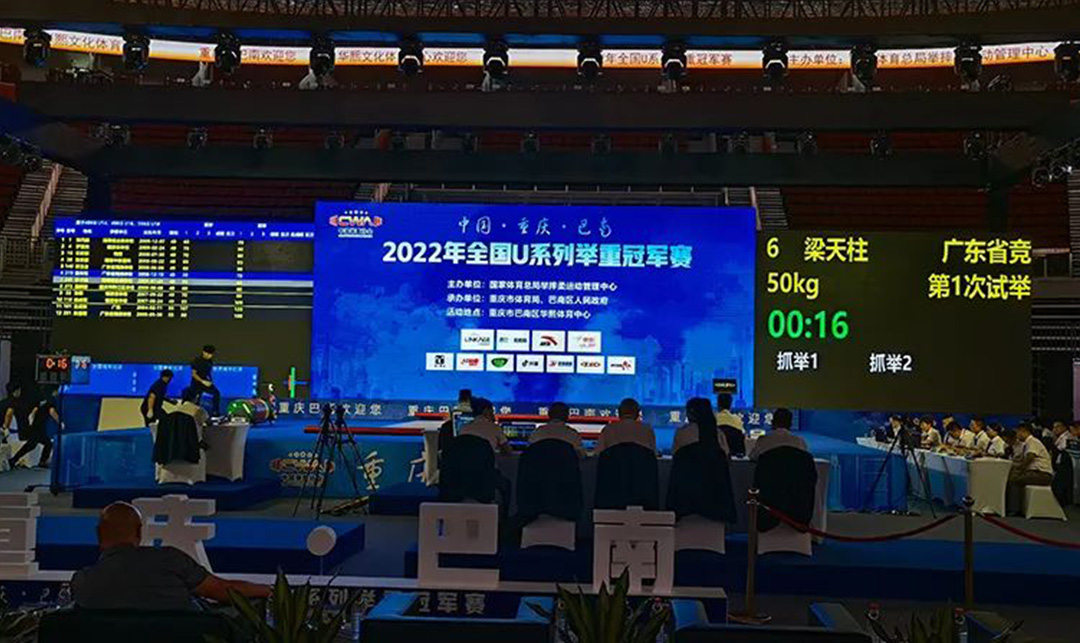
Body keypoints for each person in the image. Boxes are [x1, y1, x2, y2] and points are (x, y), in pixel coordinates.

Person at [71, 502, 270, 610]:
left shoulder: (82, 583)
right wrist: (268, 591)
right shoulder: (170, 560)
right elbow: (221, 590)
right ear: (139, 532)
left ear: (98, 534)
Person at [1007, 422, 1055, 514]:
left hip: (1042, 474)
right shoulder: (1027, 443)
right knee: (1014, 477)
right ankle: (1016, 506)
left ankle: (1014, 509)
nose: (1017, 435)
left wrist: (1020, 468)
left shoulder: (1032, 442)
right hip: (1036, 473)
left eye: (1018, 432)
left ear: (1023, 431)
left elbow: (1030, 457)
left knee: (1014, 479)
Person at [9, 388, 59, 469]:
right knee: (35, 445)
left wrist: (31, 421)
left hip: (36, 427)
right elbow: (52, 411)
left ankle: (14, 460)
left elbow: (34, 411)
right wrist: (59, 422)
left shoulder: (41, 401)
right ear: (54, 392)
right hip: (39, 428)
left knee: (40, 444)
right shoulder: (51, 401)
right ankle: (14, 460)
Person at [185, 345, 220, 418]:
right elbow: (194, 374)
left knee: (216, 393)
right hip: (196, 383)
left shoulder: (210, 361)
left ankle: (215, 412)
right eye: (207, 353)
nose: (208, 355)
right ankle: (192, 416)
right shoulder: (197, 360)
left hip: (206, 382)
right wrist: (202, 381)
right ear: (203, 352)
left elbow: (208, 372)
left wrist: (210, 381)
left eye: (210, 354)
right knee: (196, 400)